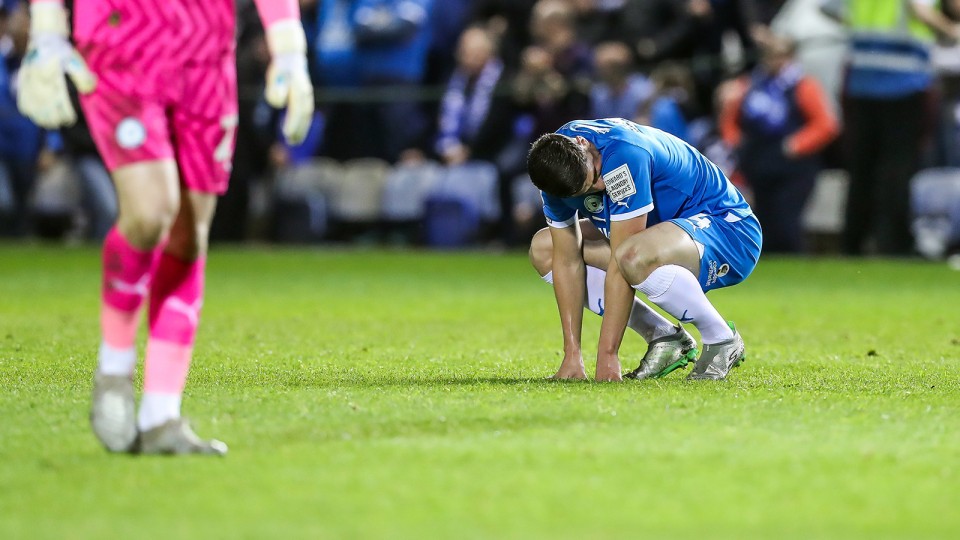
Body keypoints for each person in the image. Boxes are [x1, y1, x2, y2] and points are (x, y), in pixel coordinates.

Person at [16, 0, 314, 455]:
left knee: (189, 233)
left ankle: (161, 415)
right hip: (122, 42)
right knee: (151, 212)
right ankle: (114, 368)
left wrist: (289, 49)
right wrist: (47, 30)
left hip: (206, 54)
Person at [527, 118, 762, 381]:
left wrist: (607, 355)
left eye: (595, 174)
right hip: (661, 230)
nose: (601, 186)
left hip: (728, 229)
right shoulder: (555, 167)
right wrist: (572, 355)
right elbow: (566, 261)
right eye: (589, 189)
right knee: (544, 249)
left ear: (582, 143)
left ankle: (720, 339)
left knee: (631, 257)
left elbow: (621, 260)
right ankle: (663, 336)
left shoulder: (623, 155)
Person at [823, 0, 959, 255]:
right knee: (896, 171)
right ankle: (891, 246)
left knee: (861, 170)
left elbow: (829, 9)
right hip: (905, 86)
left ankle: (852, 245)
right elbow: (922, 12)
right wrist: (952, 31)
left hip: (862, 83)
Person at [719, 32, 839, 253]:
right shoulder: (749, 85)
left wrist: (797, 144)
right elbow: (730, 119)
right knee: (761, 220)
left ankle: (795, 262)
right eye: (770, 56)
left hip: (793, 165)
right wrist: (736, 143)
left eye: (780, 56)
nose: (774, 61)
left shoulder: (804, 86)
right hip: (758, 161)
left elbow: (826, 124)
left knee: (786, 221)